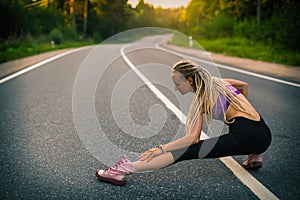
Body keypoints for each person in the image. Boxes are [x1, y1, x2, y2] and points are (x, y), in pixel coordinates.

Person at [95, 59, 272, 186]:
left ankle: (122, 170)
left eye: (177, 84)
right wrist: (238, 117)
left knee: (184, 152)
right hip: (264, 136)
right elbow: (243, 85)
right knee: (238, 128)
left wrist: (160, 149)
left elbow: (192, 139)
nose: (175, 88)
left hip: (245, 138)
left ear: (190, 80)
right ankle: (255, 155)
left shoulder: (201, 102)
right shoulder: (220, 83)